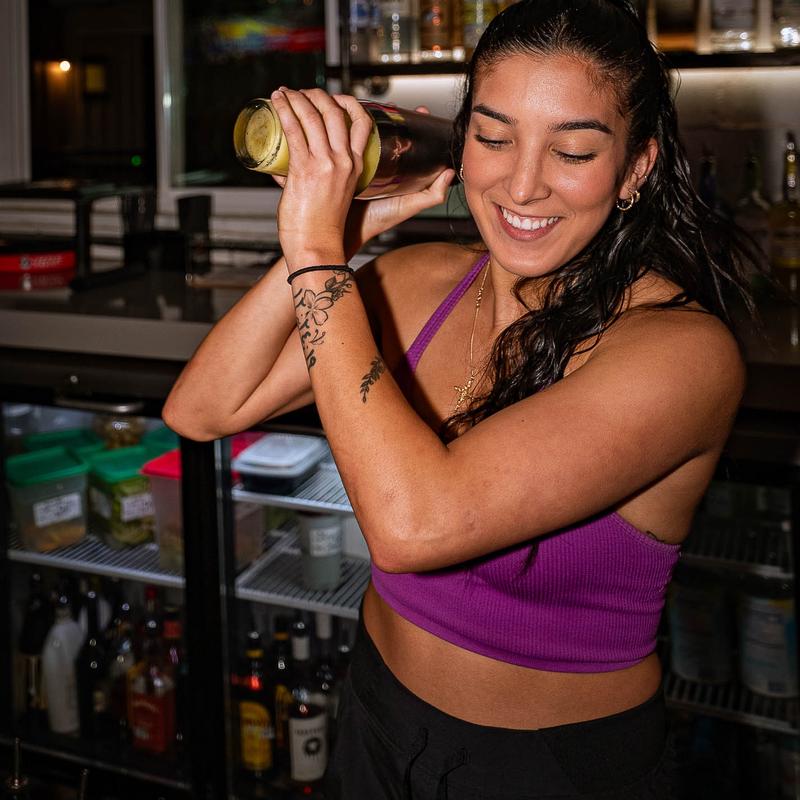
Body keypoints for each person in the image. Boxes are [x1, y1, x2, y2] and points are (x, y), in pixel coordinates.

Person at [164, 1, 761, 797]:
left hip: (550, 770)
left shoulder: (681, 354)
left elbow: (413, 527)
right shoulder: (420, 281)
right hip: (375, 719)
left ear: (635, 168)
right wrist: (340, 238)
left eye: (573, 150)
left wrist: (314, 249)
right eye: (494, 137)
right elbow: (202, 409)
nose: (523, 183)